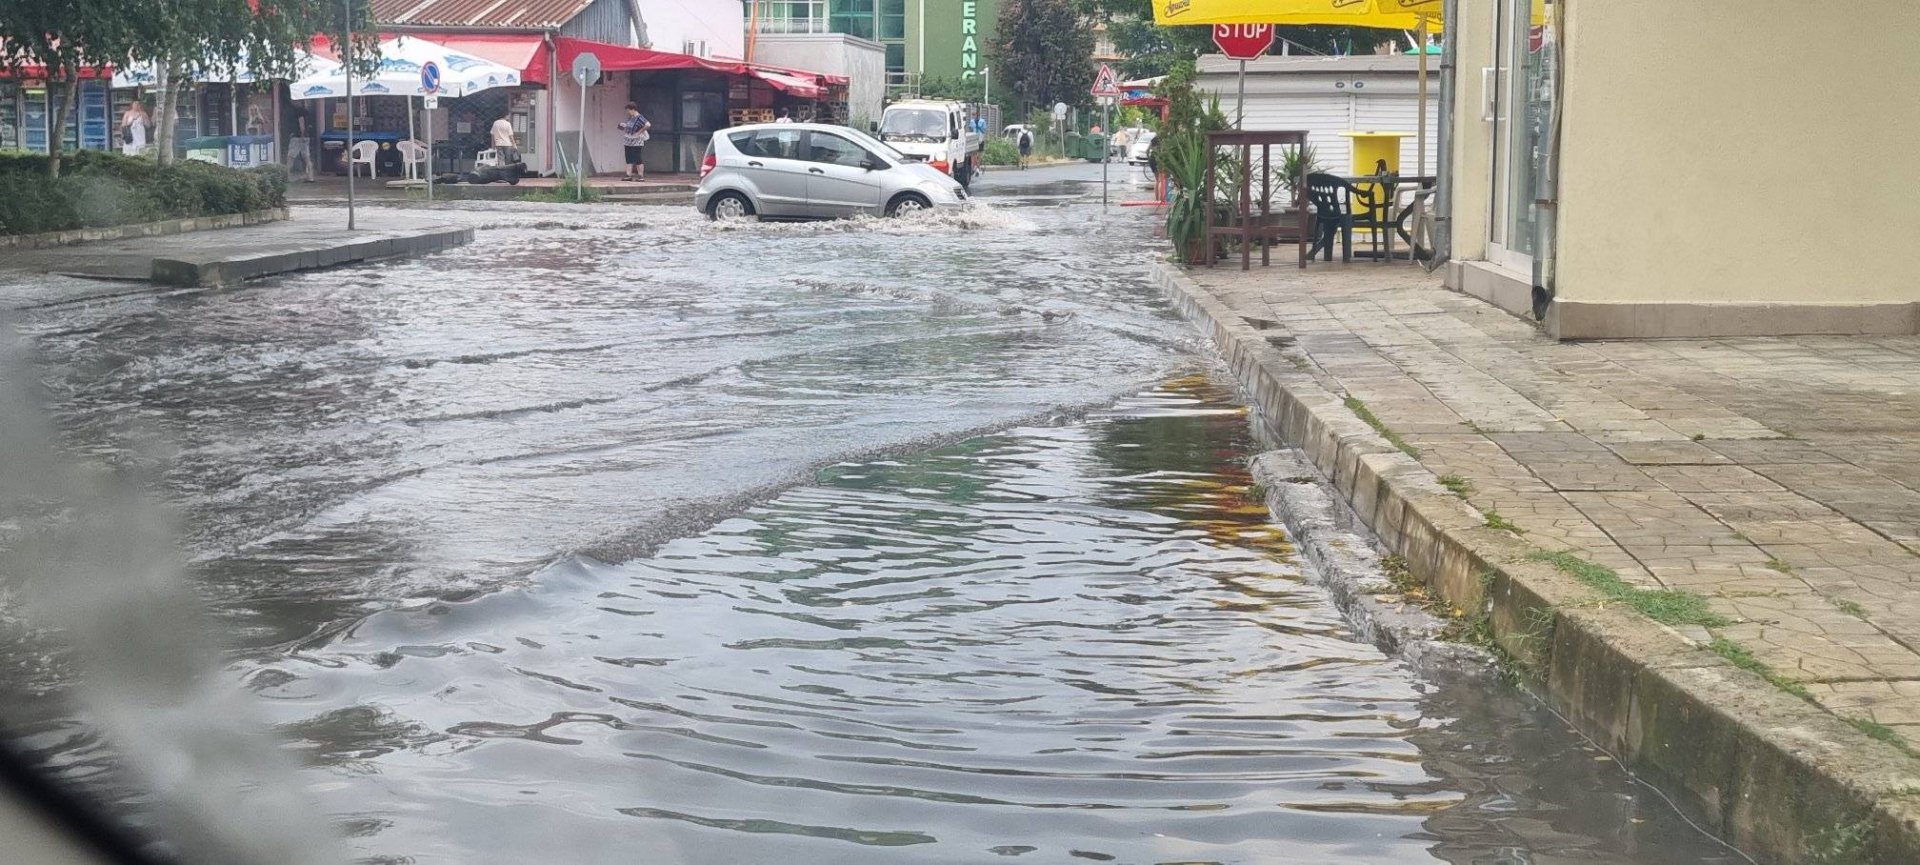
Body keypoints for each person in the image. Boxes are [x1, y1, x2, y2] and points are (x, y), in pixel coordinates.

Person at [616, 102, 650, 181]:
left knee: (637, 158)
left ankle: (641, 176)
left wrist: (639, 132)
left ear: (633, 109)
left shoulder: (639, 118)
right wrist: (624, 125)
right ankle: (628, 175)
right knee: (629, 158)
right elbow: (631, 127)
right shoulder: (632, 118)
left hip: (636, 141)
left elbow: (648, 125)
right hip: (628, 140)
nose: (628, 112)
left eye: (628, 110)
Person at [285, 112, 315, 183]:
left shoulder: (298, 111)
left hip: (297, 138)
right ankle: (310, 177)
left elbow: (302, 124)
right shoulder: (308, 114)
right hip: (306, 138)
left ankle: (287, 177)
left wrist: (302, 135)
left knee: (290, 158)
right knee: (307, 158)